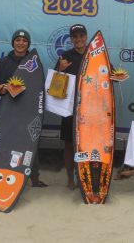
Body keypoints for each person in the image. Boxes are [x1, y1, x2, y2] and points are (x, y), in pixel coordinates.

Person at [0, 29, 47, 187]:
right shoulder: (2, 62)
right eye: (17, 40)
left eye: (24, 41)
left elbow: (40, 88)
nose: (21, 43)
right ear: (13, 43)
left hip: (27, 111)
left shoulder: (34, 64)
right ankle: (0, 174)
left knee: (30, 143)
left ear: (28, 44)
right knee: (3, 143)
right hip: (6, 111)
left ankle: (34, 178)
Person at [54, 24, 88, 190]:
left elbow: (107, 74)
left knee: (88, 143)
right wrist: (60, 69)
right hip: (69, 107)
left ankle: (85, 177)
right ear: (71, 39)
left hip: (90, 107)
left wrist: (114, 77)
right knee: (68, 143)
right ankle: (70, 179)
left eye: (81, 35)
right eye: (75, 36)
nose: (78, 39)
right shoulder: (65, 56)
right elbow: (55, 82)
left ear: (86, 37)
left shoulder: (95, 54)